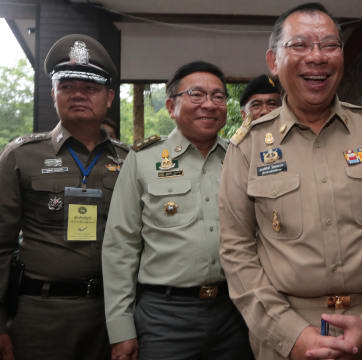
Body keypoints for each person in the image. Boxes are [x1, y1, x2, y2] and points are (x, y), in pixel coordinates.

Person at [218, 3, 362, 360]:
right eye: (300, 45)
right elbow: (237, 251)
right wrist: (292, 335)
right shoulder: (248, 148)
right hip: (288, 333)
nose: (317, 57)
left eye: (330, 45)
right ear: (273, 62)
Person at [102, 61, 253, 360]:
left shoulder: (241, 158)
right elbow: (121, 247)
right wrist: (120, 330)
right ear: (171, 106)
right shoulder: (143, 160)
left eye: (218, 96)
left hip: (235, 311)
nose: (209, 105)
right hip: (165, 317)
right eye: (196, 95)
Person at [0, 34, 128, 360]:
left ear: (109, 97)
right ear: (52, 94)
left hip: (109, 314)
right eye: (67, 86)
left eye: (90, 88)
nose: (78, 95)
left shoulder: (129, 161)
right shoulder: (21, 156)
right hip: (40, 314)